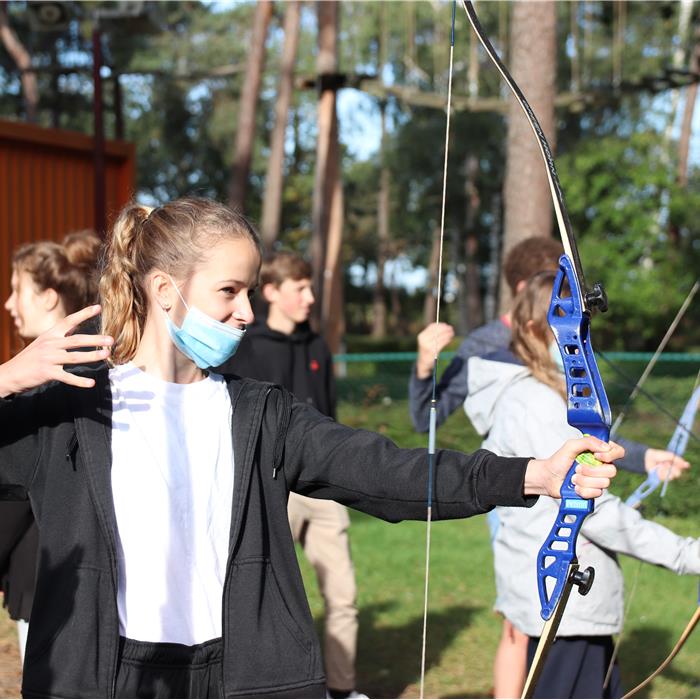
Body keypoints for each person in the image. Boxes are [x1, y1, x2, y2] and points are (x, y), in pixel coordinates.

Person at [0, 197, 621, 699]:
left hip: (238, 677)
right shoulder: (68, 407)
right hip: (101, 680)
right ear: (166, 290)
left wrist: (534, 475)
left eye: (249, 292)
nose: (247, 311)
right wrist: (5, 381)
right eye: (230, 291)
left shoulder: (263, 414)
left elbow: (389, 472)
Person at [463, 271, 700, 699]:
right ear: (541, 328)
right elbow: (594, 512)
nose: (584, 340)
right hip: (568, 612)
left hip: (569, 605)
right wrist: (688, 555)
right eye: (577, 327)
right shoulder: (535, 403)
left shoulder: (539, 396)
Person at [408, 236, 690, 483]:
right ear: (524, 289)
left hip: (567, 479)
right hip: (514, 489)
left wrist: (645, 458)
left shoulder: (563, 339)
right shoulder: (484, 347)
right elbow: (426, 419)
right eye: (555, 289)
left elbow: (576, 427)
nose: (565, 302)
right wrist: (423, 368)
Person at [217, 251, 363, 700]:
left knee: (343, 596)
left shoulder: (317, 346)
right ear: (274, 293)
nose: (310, 297)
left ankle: (341, 690)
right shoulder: (244, 347)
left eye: (311, 287)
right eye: (300, 288)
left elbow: (331, 418)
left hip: (322, 492)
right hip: (266, 488)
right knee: (256, 600)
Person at [1, 230, 101, 662]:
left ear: (48, 297)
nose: (8, 304)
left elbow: (14, 500)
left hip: (48, 579)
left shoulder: (48, 385)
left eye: (16, 289)